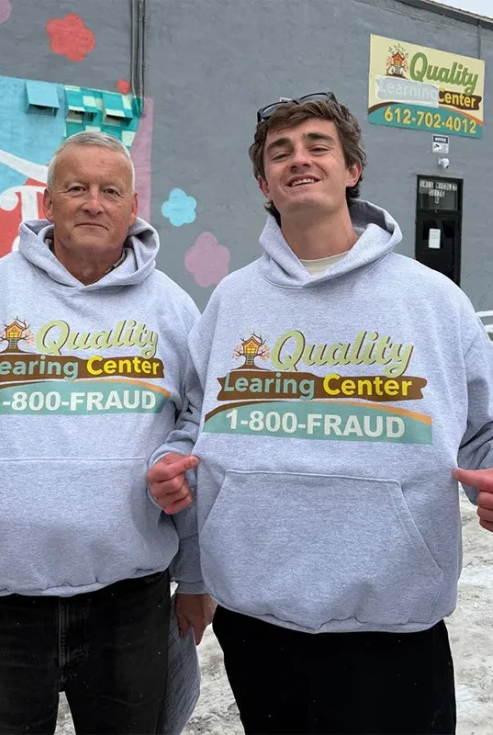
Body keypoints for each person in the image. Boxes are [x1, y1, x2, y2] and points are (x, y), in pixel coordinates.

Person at [148, 94, 493, 735]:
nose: (298, 159)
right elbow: (195, 420)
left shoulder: (433, 300)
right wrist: (171, 461)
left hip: (393, 622)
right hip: (257, 619)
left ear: (352, 169)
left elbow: (485, 429)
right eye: (280, 152)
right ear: (264, 184)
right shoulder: (231, 300)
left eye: (317, 146)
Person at [0, 131, 213, 735]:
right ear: (48, 203)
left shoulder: (173, 309)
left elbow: (198, 435)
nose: (93, 203)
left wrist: (196, 577)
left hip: (130, 605)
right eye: (76, 188)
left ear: (133, 208)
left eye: (110, 191)